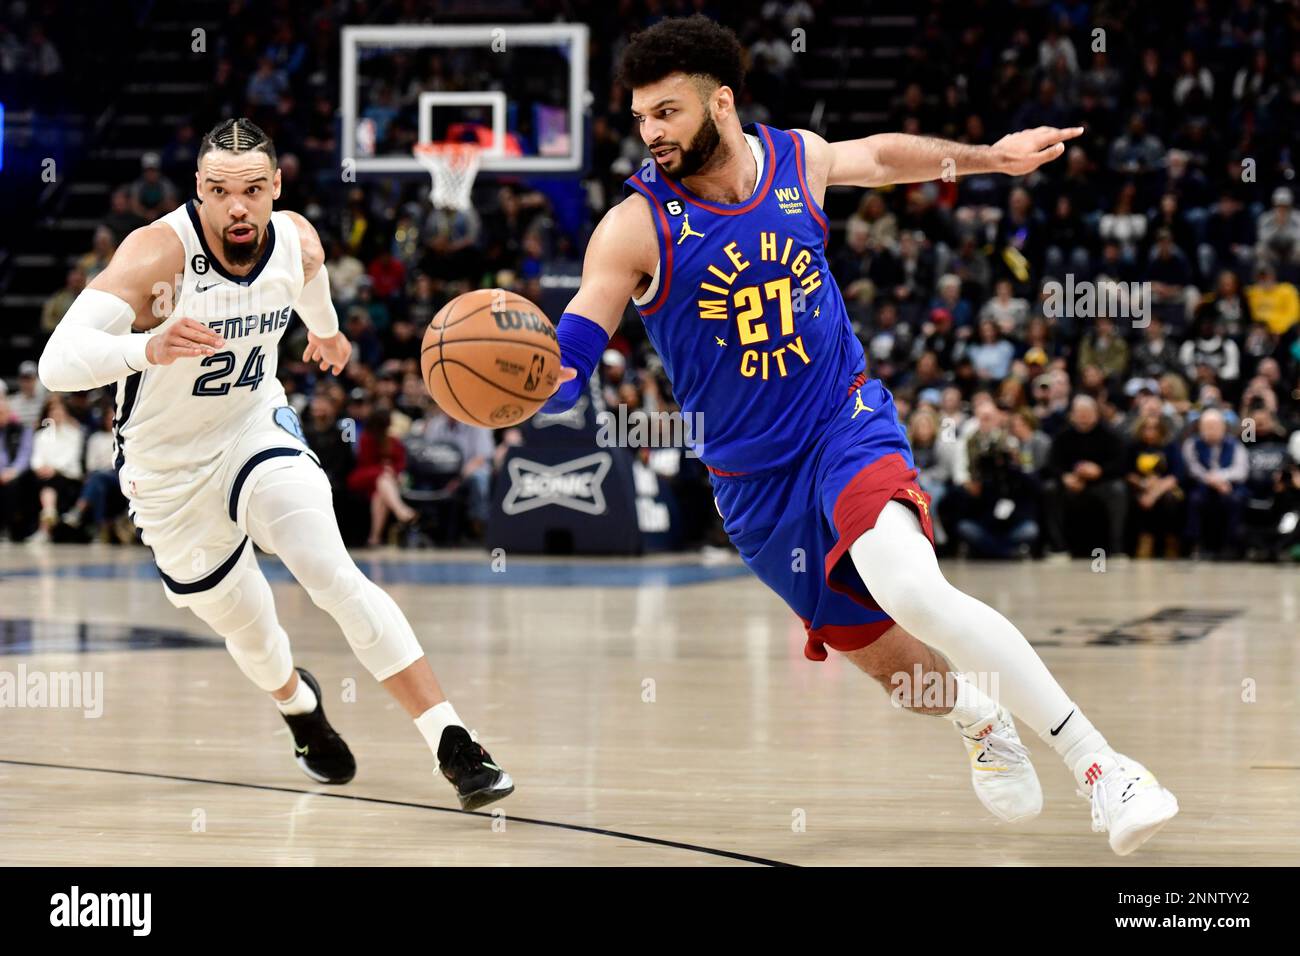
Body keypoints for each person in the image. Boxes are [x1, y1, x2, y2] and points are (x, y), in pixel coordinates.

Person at [542, 16, 1176, 854]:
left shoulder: (796, 158)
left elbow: (879, 157)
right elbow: (581, 336)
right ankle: (980, 719)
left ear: (719, 103)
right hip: (752, 487)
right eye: (642, 119)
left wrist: (991, 156)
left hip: (844, 424)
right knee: (899, 671)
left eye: (668, 112)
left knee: (912, 588)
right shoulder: (634, 225)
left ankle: (1103, 768)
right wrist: (540, 382)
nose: (652, 133)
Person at [37, 118, 511, 810]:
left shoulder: (296, 239)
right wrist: (147, 348)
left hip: (253, 428)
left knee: (330, 570)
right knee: (251, 631)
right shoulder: (155, 253)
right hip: (166, 471)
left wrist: (328, 333)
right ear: (198, 190)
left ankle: (453, 741)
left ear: (276, 188)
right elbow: (56, 363)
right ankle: (297, 703)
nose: (238, 206)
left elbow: (309, 283)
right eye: (221, 191)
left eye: (254, 190)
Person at [27, 394, 85, 543]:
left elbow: (70, 458)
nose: (56, 414)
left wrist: (54, 468)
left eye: (59, 411)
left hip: (69, 476)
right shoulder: (41, 435)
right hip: (46, 475)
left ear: (65, 412)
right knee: (38, 480)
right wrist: (41, 467)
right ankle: (49, 513)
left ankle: (44, 527)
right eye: (53, 411)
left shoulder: (75, 434)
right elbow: (36, 458)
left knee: (52, 481)